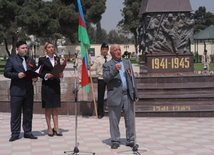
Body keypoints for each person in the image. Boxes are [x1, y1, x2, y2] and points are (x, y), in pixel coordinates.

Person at [103, 44, 139, 149]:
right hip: (115, 96)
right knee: (114, 120)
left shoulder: (127, 62)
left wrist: (135, 93)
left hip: (127, 94)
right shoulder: (107, 65)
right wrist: (114, 69)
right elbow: (105, 78)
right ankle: (115, 140)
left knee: (130, 119)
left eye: (119, 49)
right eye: (116, 50)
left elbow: (132, 79)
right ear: (111, 53)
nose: (118, 51)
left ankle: (130, 139)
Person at [4, 40, 38, 142]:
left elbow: (35, 72)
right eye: (23, 48)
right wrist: (17, 75)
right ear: (17, 49)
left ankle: (28, 132)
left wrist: (35, 77)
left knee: (28, 112)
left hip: (28, 91)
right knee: (15, 113)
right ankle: (15, 133)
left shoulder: (31, 60)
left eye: (26, 48)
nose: (25, 50)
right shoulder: (12, 60)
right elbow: (6, 73)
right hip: (16, 91)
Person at [38, 42, 63, 137]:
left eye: (52, 47)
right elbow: (39, 72)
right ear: (45, 49)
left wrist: (61, 75)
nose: (51, 48)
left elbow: (59, 70)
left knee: (55, 106)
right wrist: (46, 75)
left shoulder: (57, 58)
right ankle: (49, 127)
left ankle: (56, 127)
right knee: (48, 106)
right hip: (47, 85)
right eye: (49, 47)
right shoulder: (42, 59)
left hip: (56, 84)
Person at [89, 42, 111, 119]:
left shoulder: (111, 57)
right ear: (101, 50)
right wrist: (89, 67)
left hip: (110, 79)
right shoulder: (98, 58)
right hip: (101, 78)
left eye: (106, 49)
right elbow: (94, 67)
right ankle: (100, 112)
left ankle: (111, 111)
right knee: (100, 96)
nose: (104, 51)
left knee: (111, 95)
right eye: (103, 49)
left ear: (108, 50)